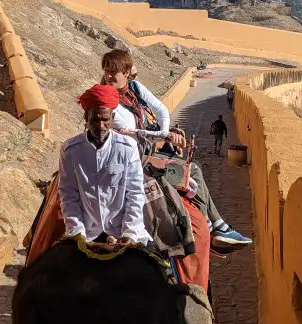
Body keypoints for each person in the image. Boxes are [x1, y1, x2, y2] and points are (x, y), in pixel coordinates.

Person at [101, 50, 252, 249]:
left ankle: (215, 224)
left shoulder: (134, 89)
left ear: (127, 73)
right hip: (131, 158)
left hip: (148, 148)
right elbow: (126, 131)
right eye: (107, 71)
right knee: (193, 171)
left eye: (115, 71)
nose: (109, 76)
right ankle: (213, 226)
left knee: (190, 165)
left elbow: (161, 110)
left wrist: (164, 133)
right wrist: (163, 137)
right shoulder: (105, 99)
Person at [59, 83, 152, 247]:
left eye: (105, 119)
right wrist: (77, 234)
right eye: (95, 119)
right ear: (86, 118)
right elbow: (68, 195)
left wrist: (129, 232)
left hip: (122, 231)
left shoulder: (127, 148)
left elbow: (135, 193)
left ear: (113, 118)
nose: (100, 126)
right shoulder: (70, 150)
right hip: (86, 233)